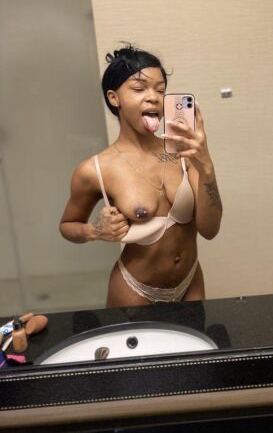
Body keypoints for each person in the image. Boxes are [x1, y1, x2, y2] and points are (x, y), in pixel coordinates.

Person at [59, 44, 222, 307]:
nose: (154, 97)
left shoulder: (184, 153)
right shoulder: (95, 169)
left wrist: (206, 166)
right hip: (134, 292)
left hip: (190, 283)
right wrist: (95, 230)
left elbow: (210, 230)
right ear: (114, 98)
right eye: (139, 88)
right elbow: (67, 226)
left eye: (160, 90)